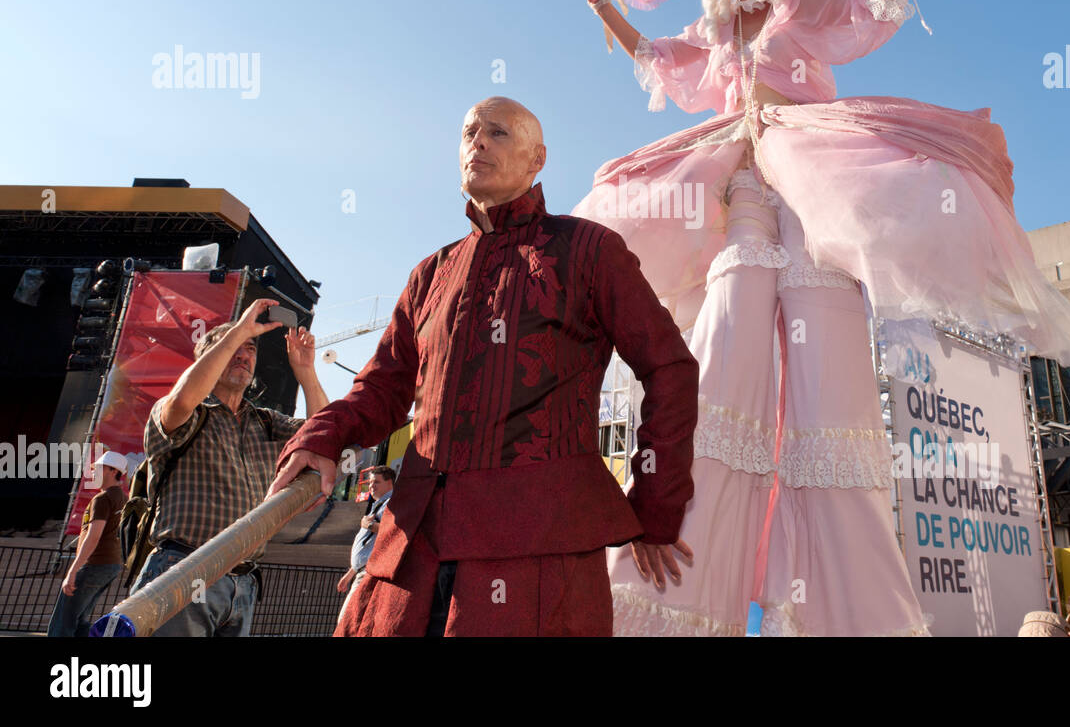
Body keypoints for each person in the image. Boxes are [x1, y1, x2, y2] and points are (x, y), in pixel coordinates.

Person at [575, 0, 1070, 636]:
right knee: (725, 355)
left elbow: (877, 8)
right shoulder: (718, 33)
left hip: (814, 184)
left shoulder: (803, 10)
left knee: (827, 377)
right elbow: (665, 63)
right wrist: (610, 11)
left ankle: (849, 614)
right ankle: (679, 594)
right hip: (743, 187)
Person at [270, 97, 699, 637]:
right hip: (411, 553)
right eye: (470, 131)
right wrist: (322, 435)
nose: (478, 142)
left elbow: (671, 367)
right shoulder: (430, 273)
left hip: (538, 554)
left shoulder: (589, 249)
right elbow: (381, 388)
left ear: (536, 159)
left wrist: (655, 505)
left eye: (498, 133)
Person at [131, 308, 327, 636]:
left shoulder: (265, 421)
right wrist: (239, 330)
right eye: (232, 345)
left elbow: (322, 437)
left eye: (250, 349)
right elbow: (180, 403)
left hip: (244, 583)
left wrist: (306, 373)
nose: (244, 355)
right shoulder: (188, 413)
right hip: (183, 570)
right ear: (207, 358)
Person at [46, 451, 129, 637]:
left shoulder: (102, 499)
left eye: (98, 468)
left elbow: (93, 536)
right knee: (80, 620)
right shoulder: (123, 499)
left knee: (63, 622)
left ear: (112, 470)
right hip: (111, 564)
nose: (93, 472)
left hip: (95, 564)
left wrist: (73, 570)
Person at [336, 466, 396, 620]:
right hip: (363, 570)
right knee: (351, 622)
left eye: (376, 482)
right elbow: (367, 546)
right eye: (370, 482)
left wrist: (368, 525)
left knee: (346, 620)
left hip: (370, 571)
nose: (371, 486)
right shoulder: (380, 504)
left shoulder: (392, 503)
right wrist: (350, 574)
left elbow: (395, 531)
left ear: (390, 483)